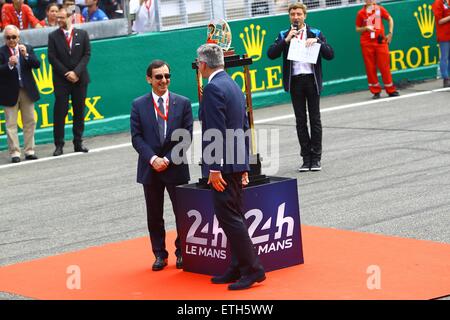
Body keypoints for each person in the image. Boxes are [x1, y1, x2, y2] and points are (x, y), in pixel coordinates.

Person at [196, 43, 266, 291]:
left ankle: (253, 269)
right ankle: (238, 265)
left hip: (223, 168)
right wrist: (244, 164)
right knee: (234, 215)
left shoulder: (213, 88)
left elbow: (215, 130)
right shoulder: (233, 84)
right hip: (235, 163)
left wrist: (214, 168)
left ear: (203, 64)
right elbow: (243, 125)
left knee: (230, 218)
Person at [130, 60, 193, 271]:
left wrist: (167, 159)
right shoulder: (138, 104)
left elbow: (186, 137)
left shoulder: (183, 102)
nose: (163, 81)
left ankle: (182, 251)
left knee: (182, 213)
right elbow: (137, 138)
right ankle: (159, 254)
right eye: (158, 77)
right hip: (151, 169)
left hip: (175, 167)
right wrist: (153, 159)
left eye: (167, 76)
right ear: (149, 79)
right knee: (154, 215)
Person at [267, 2, 334, 172]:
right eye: (292, 14)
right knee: (300, 121)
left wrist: (317, 41)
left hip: (312, 81)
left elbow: (330, 54)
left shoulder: (315, 32)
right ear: (289, 16)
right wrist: (286, 40)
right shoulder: (284, 33)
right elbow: (271, 54)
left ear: (305, 15)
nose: (295, 17)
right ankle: (306, 158)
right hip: (295, 82)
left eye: (298, 14)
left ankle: (316, 157)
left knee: (315, 119)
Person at [47, 6, 90, 156]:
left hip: (80, 79)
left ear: (70, 17)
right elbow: (52, 58)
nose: (59, 20)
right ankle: (59, 145)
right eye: (57, 18)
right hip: (62, 80)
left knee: (79, 112)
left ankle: (78, 142)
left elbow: (86, 54)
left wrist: (76, 72)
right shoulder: (53, 36)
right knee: (60, 112)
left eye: (61, 17)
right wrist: (67, 73)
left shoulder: (82, 34)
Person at [0, 25, 40, 163]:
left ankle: (29, 150)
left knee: (29, 121)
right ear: (4, 38)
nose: (11, 40)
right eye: (8, 37)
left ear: (18, 37)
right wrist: (9, 65)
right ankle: (15, 153)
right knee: (11, 124)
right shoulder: (1, 52)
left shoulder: (26, 48)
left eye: (14, 37)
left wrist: (26, 55)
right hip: (9, 92)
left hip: (26, 90)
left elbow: (37, 64)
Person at [355, 0, 400, 99]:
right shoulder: (361, 13)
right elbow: (357, 28)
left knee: (384, 66)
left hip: (380, 42)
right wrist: (366, 28)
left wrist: (390, 33)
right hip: (367, 43)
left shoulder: (379, 9)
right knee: (370, 68)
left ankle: (390, 89)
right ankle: (376, 91)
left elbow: (390, 19)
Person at [432, 0, 450, 88]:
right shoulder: (437, 3)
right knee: (444, 57)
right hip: (444, 35)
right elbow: (439, 21)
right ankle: (446, 78)